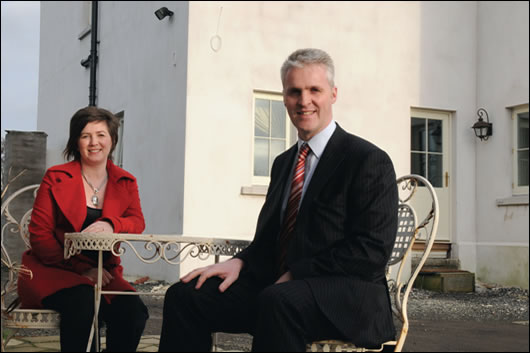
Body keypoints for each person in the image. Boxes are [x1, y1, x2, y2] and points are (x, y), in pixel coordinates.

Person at [158, 48, 398, 352]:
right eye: (294, 91)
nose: (304, 100)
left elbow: (371, 251)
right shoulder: (285, 163)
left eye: (315, 90)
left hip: (350, 297)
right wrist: (239, 261)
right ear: (284, 97)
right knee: (186, 295)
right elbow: (271, 238)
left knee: (278, 301)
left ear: (333, 94)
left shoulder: (366, 159)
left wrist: (298, 273)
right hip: (285, 289)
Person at [18, 106, 149, 352]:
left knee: (134, 313)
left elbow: (137, 221)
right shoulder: (55, 176)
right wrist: (81, 269)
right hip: (52, 270)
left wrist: (111, 223)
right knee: (83, 303)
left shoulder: (126, 180)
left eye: (101, 134)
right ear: (75, 141)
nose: (94, 142)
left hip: (104, 274)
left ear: (112, 140)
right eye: (85, 135)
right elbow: (40, 236)